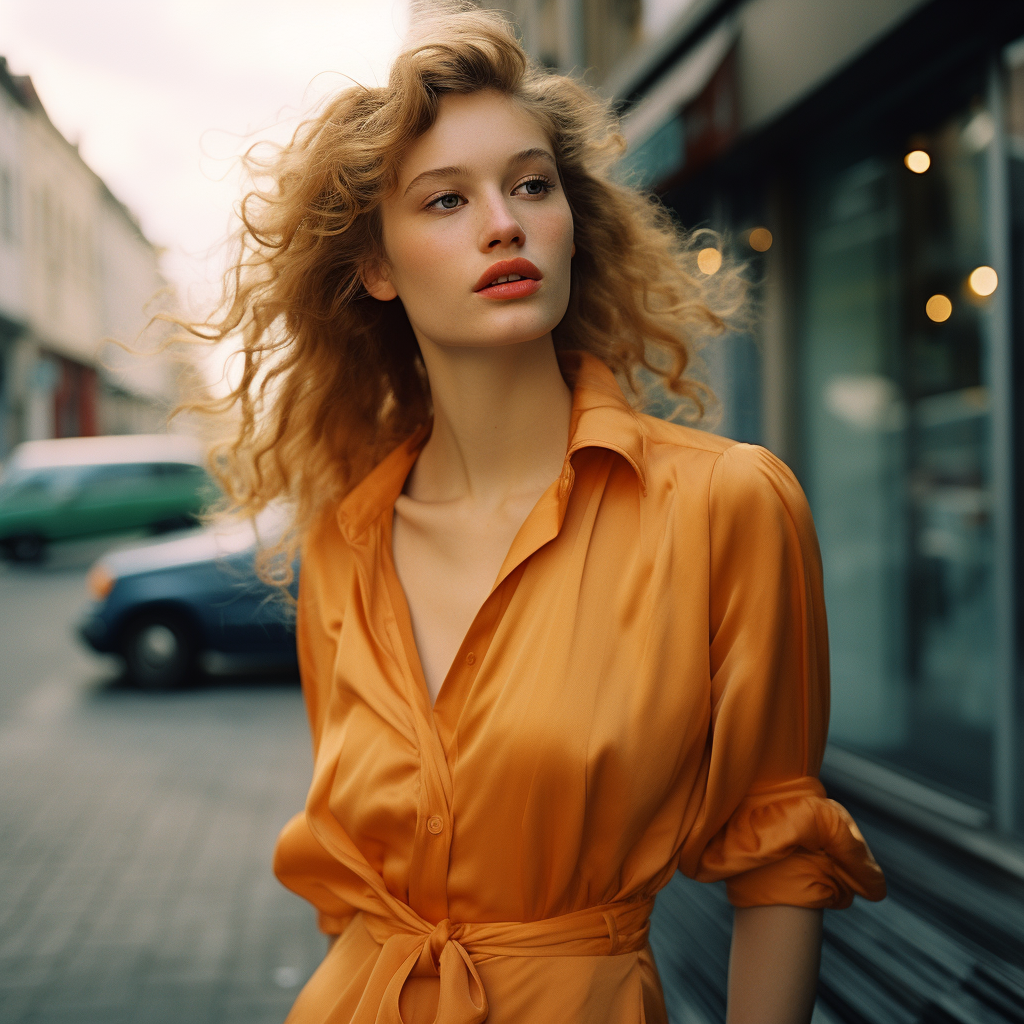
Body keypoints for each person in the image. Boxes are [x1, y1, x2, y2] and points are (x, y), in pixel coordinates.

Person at [183, 5, 886, 1022]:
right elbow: (346, 880)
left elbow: (778, 856)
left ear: (570, 222)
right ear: (375, 267)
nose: (501, 222)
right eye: (442, 200)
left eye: (528, 185)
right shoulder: (346, 537)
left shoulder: (724, 504)